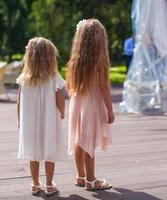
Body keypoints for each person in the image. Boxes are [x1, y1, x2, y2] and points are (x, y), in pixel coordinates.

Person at [66, 19, 114, 191]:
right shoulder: (99, 61)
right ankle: (92, 180)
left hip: (77, 102)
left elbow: (69, 85)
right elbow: (104, 88)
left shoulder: (76, 59)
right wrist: (110, 110)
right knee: (89, 142)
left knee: (79, 141)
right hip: (91, 103)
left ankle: (80, 176)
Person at [16, 37, 66, 196]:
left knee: (33, 152)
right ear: (50, 57)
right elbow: (60, 98)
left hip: (30, 123)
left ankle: (35, 183)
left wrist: (19, 120)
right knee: (49, 150)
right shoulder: (53, 79)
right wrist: (62, 111)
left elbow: (19, 101)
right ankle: (50, 184)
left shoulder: (24, 80)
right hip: (49, 121)